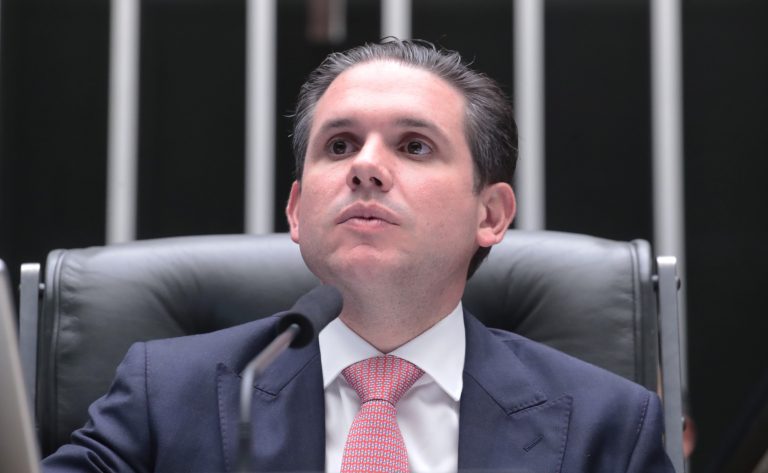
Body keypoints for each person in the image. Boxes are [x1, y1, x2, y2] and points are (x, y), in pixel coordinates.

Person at [43, 39, 674, 472]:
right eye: (340, 145)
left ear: (490, 215)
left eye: (414, 146)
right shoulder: (167, 394)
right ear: (296, 210)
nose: (366, 167)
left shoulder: (608, 426)